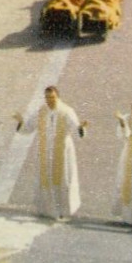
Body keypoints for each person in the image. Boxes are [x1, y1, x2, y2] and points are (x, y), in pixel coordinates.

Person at [14, 86, 85, 220]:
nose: (49, 100)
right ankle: (46, 210)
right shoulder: (41, 111)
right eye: (47, 98)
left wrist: (81, 128)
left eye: (52, 97)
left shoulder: (67, 111)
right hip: (45, 151)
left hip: (62, 152)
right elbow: (28, 127)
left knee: (62, 179)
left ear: (57, 97)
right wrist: (21, 122)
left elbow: (76, 128)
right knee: (46, 179)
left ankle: (62, 211)